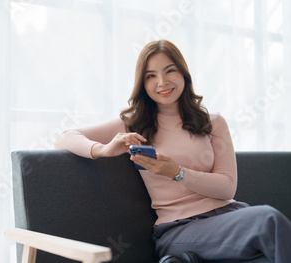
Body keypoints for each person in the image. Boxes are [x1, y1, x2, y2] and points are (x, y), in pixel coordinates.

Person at [54, 39, 291, 263]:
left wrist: (177, 172)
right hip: (178, 229)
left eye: (170, 71)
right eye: (151, 76)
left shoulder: (213, 122)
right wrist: (104, 150)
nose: (162, 82)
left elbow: (227, 186)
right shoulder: (132, 123)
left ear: (183, 74)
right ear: (142, 83)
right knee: (268, 221)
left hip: (228, 218)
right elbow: (65, 138)